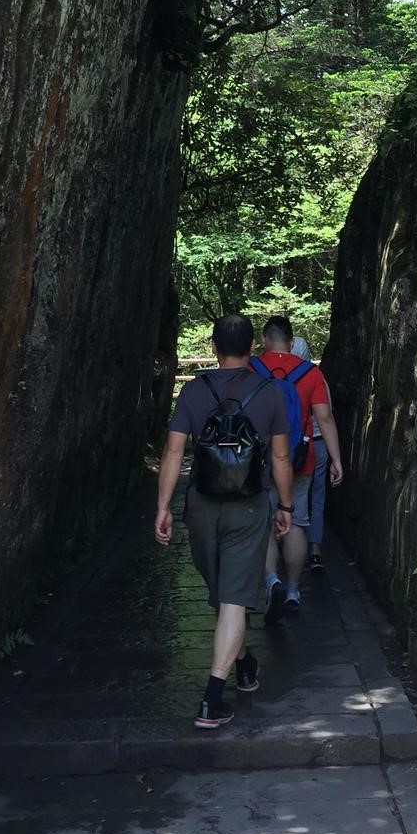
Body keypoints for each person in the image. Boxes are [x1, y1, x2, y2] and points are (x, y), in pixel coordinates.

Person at [155, 313, 295, 730]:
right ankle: (224, 686)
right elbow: (282, 457)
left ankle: (228, 680)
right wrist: (285, 506)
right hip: (248, 506)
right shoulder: (269, 393)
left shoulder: (194, 392)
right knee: (230, 596)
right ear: (253, 348)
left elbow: (174, 452)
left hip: (202, 504)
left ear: (214, 347)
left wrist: (163, 506)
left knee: (224, 593)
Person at [252, 315, 343, 620]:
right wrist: (336, 458)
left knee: (265, 523)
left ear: (264, 340)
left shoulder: (252, 369)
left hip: (260, 461)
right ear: (292, 343)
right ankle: (292, 589)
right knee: (297, 522)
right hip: (299, 461)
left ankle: (270, 580)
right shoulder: (311, 373)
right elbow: (325, 418)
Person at [291, 335, 329, 571]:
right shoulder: (317, 377)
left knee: (290, 497)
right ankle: (314, 550)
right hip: (318, 443)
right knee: (317, 497)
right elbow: (327, 416)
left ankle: (288, 546)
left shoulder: (278, 376)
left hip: (289, 445)